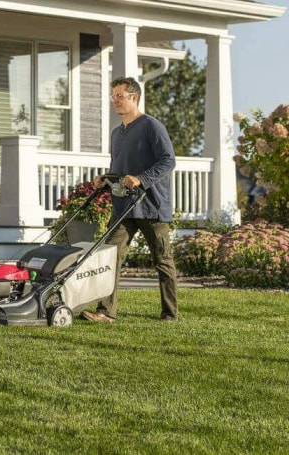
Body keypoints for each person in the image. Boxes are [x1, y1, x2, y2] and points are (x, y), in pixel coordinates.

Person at [81, 76, 178, 323]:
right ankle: (106, 312)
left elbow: (168, 160)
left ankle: (170, 314)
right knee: (110, 256)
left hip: (151, 205)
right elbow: (120, 166)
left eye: (119, 96)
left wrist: (142, 178)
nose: (115, 101)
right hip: (124, 207)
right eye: (113, 97)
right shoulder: (117, 133)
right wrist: (106, 179)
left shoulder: (151, 126)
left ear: (134, 97)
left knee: (162, 260)